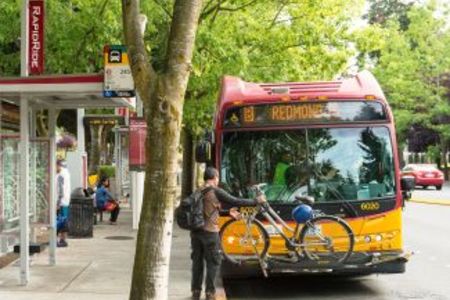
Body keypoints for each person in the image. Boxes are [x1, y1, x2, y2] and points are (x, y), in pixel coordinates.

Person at [191, 167, 266, 300]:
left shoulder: (198, 190)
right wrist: (255, 201)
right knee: (213, 263)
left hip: (196, 233)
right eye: (218, 177)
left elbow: (208, 211)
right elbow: (235, 201)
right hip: (210, 233)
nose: (218, 179)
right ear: (215, 177)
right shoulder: (215, 190)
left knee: (197, 263)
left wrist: (227, 213)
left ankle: (195, 292)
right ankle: (210, 293)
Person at [56, 159, 71, 247]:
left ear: (58, 165)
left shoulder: (61, 175)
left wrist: (57, 203)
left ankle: (62, 240)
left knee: (61, 221)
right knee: (64, 220)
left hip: (61, 202)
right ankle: (63, 239)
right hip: (65, 201)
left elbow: (60, 190)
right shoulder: (66, 173)